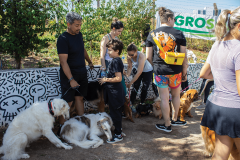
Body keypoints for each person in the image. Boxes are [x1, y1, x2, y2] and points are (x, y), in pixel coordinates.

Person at [200, 7, 240, 160]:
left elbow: (203, 73)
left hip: (217, 106)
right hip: (235, 110)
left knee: (220, 153)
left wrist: (223, 78)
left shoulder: (217, 44)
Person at [146, 7, 188, 133]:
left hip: (160, 71)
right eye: (174, 19)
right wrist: (184, 71)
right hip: (176, 71)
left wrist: (157, 67)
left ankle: (167, 125)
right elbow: (184, 56)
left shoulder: (152, 34)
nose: (174, 21)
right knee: (176, 96)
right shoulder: (179, 34)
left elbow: (148, 57)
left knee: (164, 98)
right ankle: (175, 119)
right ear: (169, 19)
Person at [57, 12, 93, 134]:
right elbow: (63, 62)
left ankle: (82, 125)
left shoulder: (79, 35)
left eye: (80, 25)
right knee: (68, 102)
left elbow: (82, 48)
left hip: (82, 72)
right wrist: (71, 79)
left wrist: (89, 61)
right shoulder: (63, 39)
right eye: (77, 25)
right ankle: (61, 128)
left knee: (79, 98)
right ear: (68, 24)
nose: (79, 28)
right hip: (70, 74)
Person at [98, 39, 125, 143]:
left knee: (115, 114)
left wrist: (105, 79)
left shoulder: (115, 61)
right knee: (116, 113)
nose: (108, 52)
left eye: (110, 50)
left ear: (117, 50)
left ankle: (118, 135)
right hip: (114, 92)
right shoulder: (116, 61)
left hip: (115, 93)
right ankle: (119, 131)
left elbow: (118, 78)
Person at [126, 43, 153, 108]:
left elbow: (139, 72)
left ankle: (142, 102)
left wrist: (130, 83)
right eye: (129, 54)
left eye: (132, 54)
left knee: (144, 87)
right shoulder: (129, 56)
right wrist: (127, 76)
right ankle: (131, 103)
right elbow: (129, 68)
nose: (130, 56)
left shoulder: (141, 55)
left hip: (147, 71)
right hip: (139, 70)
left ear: (136, 51)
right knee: (135, 86)